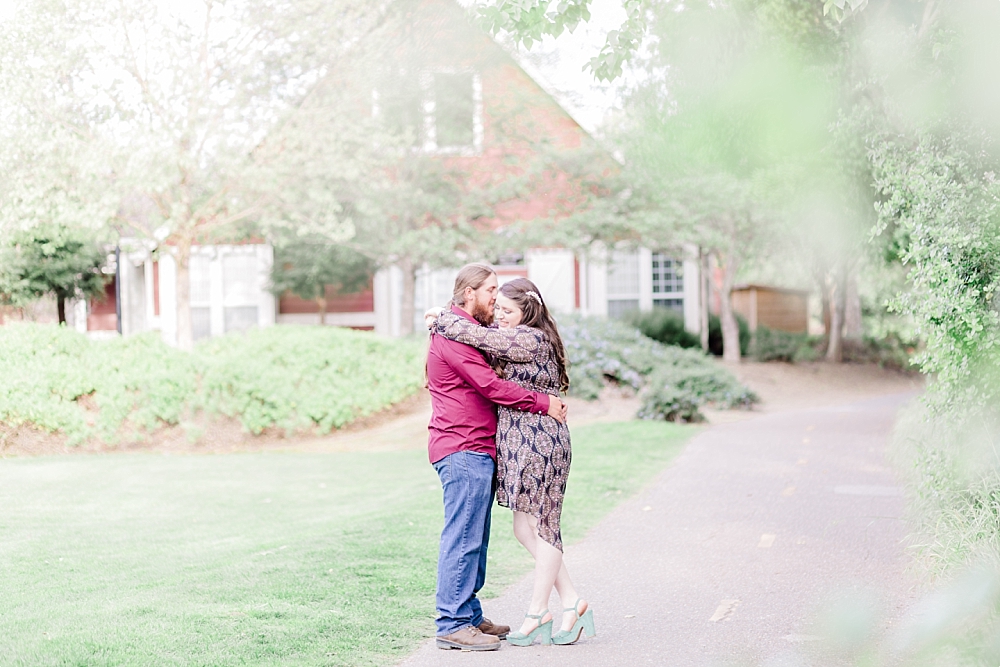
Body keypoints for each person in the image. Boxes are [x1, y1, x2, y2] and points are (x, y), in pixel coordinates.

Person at [428, 277, 595, 647]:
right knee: (515, 531)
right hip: (484, 444)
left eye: (507, 308)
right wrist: (444, 318)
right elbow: (489, 381)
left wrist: (441, 316)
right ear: (471, 293)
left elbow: (485, 340)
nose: (498, 312)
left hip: (539, 442)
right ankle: (566, 601)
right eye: (493, 297)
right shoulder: (467, 333)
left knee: (538, 528)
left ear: (526, 312)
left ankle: (535, 611)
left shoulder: (527, 337)